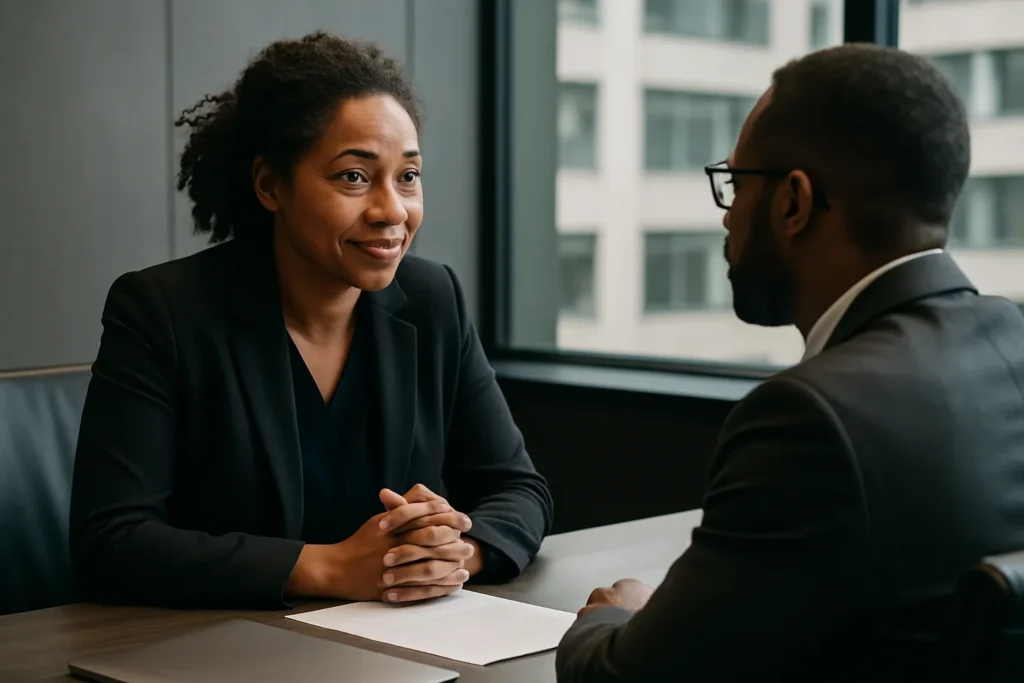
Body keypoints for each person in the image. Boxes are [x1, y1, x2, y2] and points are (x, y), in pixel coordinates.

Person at [556, 43, 1024, 682]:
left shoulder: (812, 419)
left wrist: (617, 617)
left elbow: (626, 679)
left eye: (736, 183)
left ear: (793, 202)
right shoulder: (1013, 339)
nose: (725, 216)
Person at [69, 32, 553, 609]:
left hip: (394, 643)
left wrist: (452, 553)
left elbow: (518, 489)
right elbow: (112, 541)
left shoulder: (432, 300)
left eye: (408, 176)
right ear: (271, 185)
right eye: (354, 176)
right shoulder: (163, 312)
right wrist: (327, 568)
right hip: (221, 650)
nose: (392, 210)